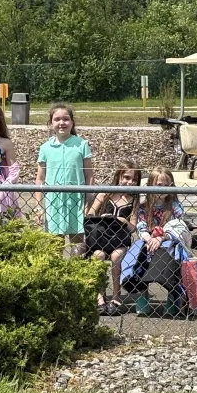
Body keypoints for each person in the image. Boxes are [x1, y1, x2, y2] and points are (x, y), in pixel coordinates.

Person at [35, 103, 94, 253]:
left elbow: (89, 175)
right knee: (55, 246)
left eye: (66, 119)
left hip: (76, 200)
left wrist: (89, 202)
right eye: (57, 119)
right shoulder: (45, 148)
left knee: (78, 246)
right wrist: (38, 205)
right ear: (51, 123)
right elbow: (40, 178)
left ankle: (76, 272)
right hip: (54, 202)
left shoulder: (81, 144)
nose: (62, 123)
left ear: (72, 122)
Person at [128, 167, 187, 316]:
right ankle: (142, 294)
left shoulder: (175, 207)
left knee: (172, 255)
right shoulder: (143, 207)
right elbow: (141, 227)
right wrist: (149, 239)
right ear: (149, 186)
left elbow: (178, 227)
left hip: (168, 240)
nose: (162, 189)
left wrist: (161, 238)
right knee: (137, 253)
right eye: (158, 185)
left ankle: (173, 295)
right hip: (148, 240)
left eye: (166, 185)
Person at [88, 160, 141, 315]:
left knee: (117, 256)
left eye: (134, 180)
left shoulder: (134, 200)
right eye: (126, 177)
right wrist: (102, 217)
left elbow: (133, 228)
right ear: (118, 176)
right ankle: (100, 296)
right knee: (98, 256)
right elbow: (90, 215)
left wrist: (123, 221)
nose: (130, 182)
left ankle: (116, 296)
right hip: (101, 239)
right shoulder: (105, 194)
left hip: (120, 240)